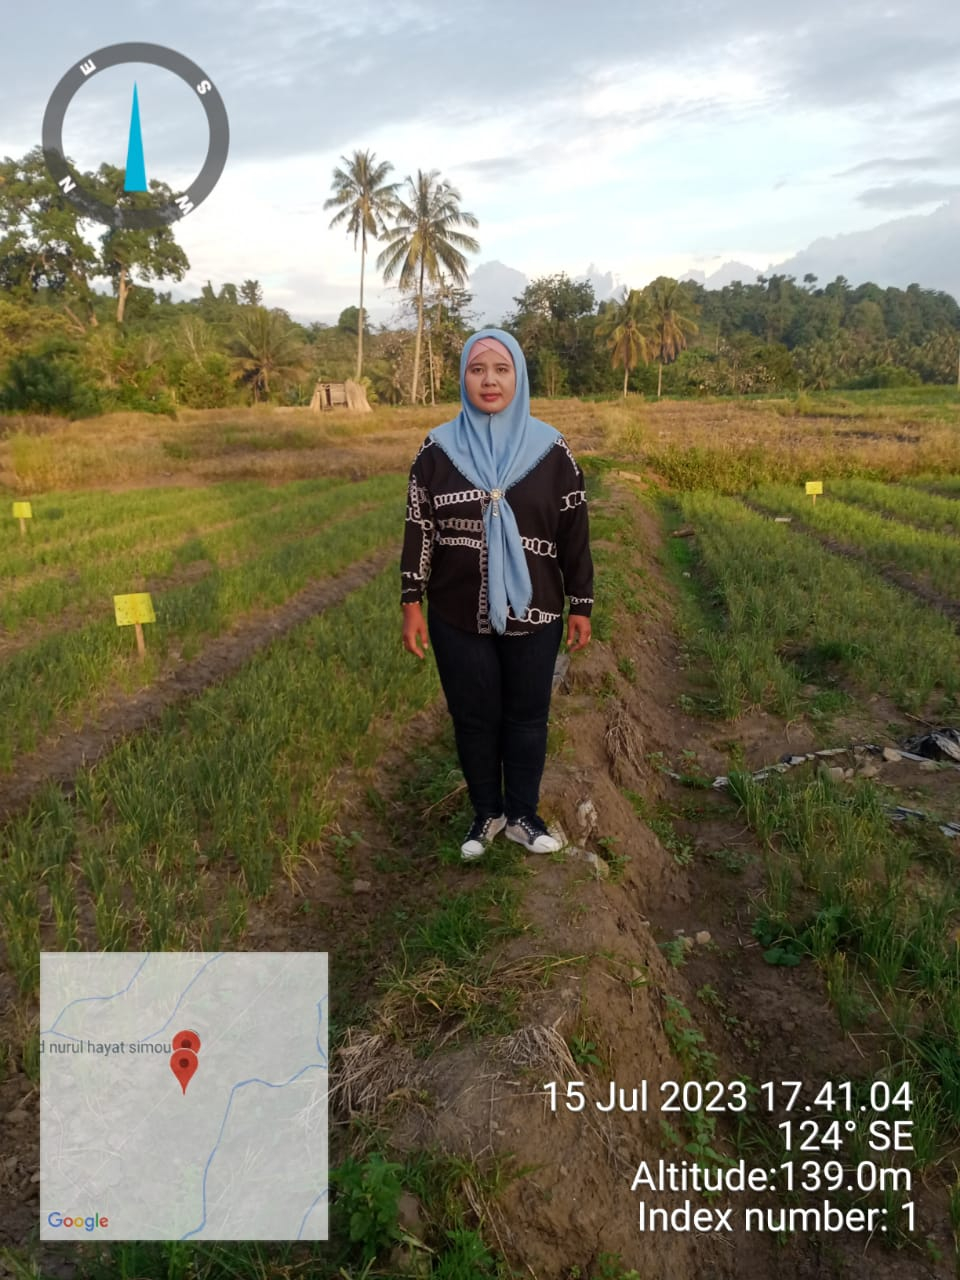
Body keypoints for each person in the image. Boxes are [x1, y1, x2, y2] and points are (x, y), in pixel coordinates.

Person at [400, 328, 593, 861]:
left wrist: (581, 603)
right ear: (463, 377)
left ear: (518, 378)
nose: (489, 380)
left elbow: (574, 532)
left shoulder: (551, 451)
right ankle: (486, 812)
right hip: (456, 612)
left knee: (527, 716)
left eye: (501, 369)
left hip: (537, 610)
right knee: (473, 717)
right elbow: (420, 528)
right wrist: (411, 602)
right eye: (477, 369)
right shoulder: (437, 450)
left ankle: (524, 816)